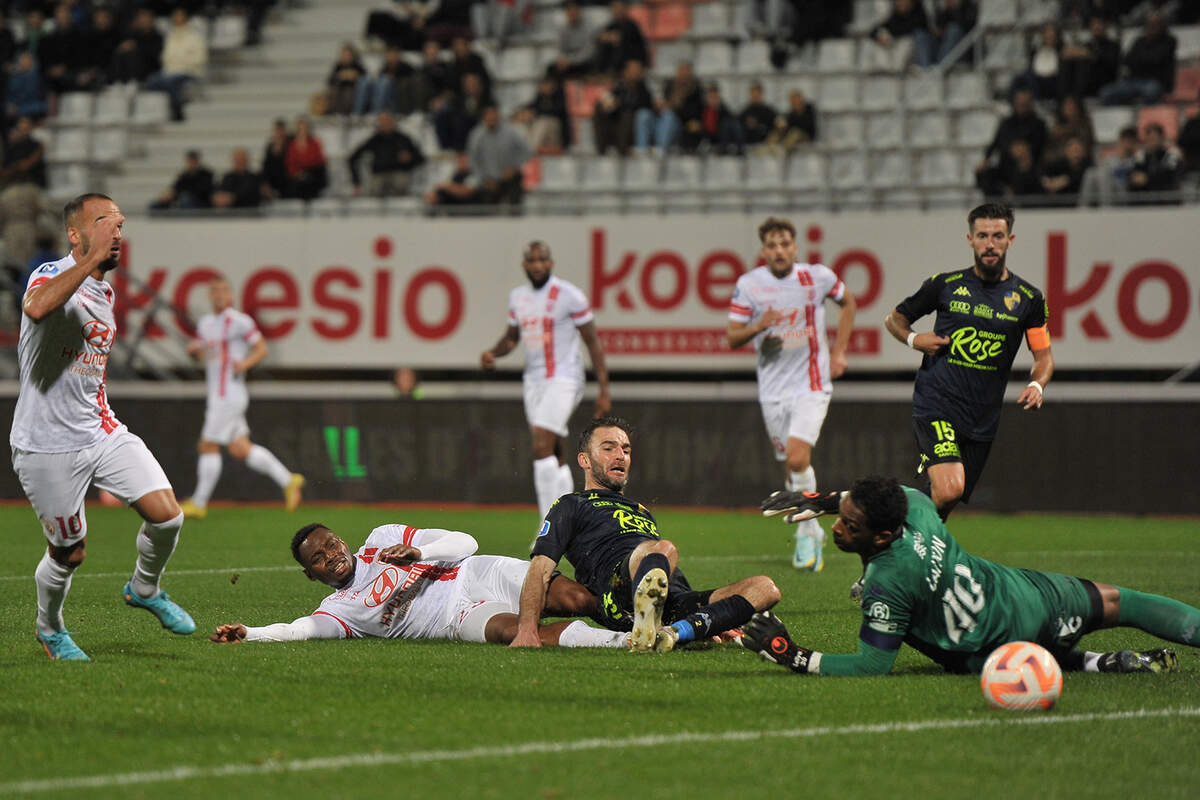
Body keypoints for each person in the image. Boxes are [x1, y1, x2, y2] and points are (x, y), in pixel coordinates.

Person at [743, 476, 1194, 676]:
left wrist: (793, 654)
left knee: (880, 604)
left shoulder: (887, 580)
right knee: (1124, 602)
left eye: (849, 525)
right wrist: (822, 499)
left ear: (881, 537)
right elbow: (903, 491)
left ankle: (1080, 662)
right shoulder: (915, 508)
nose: (836, 528)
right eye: (838, 517)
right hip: (1033, 597)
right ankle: (1095, 661)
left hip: (1000, 654)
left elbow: (871, 665)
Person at [12, 193, 195, 661]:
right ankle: (49, 629)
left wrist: (95, 262)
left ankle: (144, 587)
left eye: (120, 223)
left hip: (100, 429)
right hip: (46, 444)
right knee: (69, 553)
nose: (117, 231)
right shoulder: (49, 274)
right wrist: (90, 258)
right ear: (75, 234)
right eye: (103, 222)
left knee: (168, 514)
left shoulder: (105, 291)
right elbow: (35, 309)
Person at [511, 416, 782, 652]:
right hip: (618, 593)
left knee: (765, 588)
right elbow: (540, 569)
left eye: (626, 450)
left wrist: (715, 618)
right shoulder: (571, 505)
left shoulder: (642, 512)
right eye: (609, 448)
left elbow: (669, 577)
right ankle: (650, 622)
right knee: (663, 549)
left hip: (668, 596)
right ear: (584, 459)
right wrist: (526, 629)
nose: (620, 455)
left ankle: (679, 630)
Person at [883, 203, 1053, 519]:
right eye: (983, 235)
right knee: (949, 489)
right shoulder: (944, 285)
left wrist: (1037, 383)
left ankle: (900, 547)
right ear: (970, 239)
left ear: (1010, 240)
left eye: (997, 236)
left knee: (941, 505)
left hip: (981, 419)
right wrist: (913, 339)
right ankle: (868, 503)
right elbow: (894, 319)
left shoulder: (1029, 299)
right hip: (937, 403)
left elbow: (1043, 357)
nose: (990, 243)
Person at [210, 522, 628, 648]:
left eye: (331, 544)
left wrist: (420, 553)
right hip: (456, 616)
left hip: (474, 572)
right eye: (317, 558)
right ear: (310, 574)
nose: (331, 555)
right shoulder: (340, 610)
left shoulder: (381, 538)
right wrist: (252, 633)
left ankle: (640, 616)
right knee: (515, 632)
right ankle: (623, 643)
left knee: (577, 598)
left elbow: (469, 541)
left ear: (342, 538)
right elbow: (301, 629)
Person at [727, 217, 856, 571]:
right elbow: (733, 336)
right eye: (772, 245)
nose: (779, 250)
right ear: (763, 251)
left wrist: (840, 351)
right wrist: (758, 327)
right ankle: (810, 526)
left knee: (798, 459)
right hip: (772, 390)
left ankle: (807, 529)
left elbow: (849, 304)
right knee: (791, 466)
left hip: (811, 383)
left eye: (785, 243)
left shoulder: (817, 277)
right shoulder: (750, 285)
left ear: (795, 247)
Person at [481, 241, 610, 517]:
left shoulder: (569, 295)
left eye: (542, 260)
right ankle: (569, 519)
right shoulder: (517, 297)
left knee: (540, 445)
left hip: (564, 378)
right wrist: (494, 353)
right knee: (554, 451)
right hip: (534, 382)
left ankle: (546, 527)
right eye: (532, 261)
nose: (537, 265)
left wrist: (603, 389)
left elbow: (592, 342)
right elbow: (512, 337)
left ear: (551, 263)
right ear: (524, 265)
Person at [179, 276, 305, 520]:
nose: (219, 295)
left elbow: (262, 348)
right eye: (214, 291)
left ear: (231, 296)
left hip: (229, 395)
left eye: (223, 291)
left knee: (208, 445)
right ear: (210, 296)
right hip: (219, 393)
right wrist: (194, 352)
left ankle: (199, 502)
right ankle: (289, 480)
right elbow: (202, 354)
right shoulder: (206, 324)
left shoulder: (240, 322)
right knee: (240, 448)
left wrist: (244, 364)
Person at [1098, 10, 1176, 106]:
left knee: (1151, 91)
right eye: (1149, 23)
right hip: (1133, 81)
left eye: (1156, 23)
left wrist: (1140, 59)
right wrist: (1145, 59)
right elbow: (1127, 60)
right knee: (1105, 93)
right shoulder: (1139, 41)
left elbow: (1157, 59)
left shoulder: (1169, 41)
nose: (1152, 26)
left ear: (1162, 25)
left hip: (1155, 81)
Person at [144, 8, 207, 122]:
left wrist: (179, 62)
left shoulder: (194, 37)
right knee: (151, 80)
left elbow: (200, 58)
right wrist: (178, 61)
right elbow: (165, 57)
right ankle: (173, 106)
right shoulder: (170, 36)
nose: (177, 19)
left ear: (186, 18)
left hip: (189, 72)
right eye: (175, 16)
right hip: (170, 72)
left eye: (180, 16)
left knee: (170, 82)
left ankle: (177, 109)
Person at [465, 104, 532, 206]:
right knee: (482, 200)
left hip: (510, 177)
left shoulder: (511, 131)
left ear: (498, 116)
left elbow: (527, 150)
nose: (491, 118)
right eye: (488, 115)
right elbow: (473, 160)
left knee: (515, 196)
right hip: (488, 180)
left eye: (494, 115)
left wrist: (515, 167)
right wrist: (484, 179)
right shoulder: (476, 135)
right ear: (483, 117)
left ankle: (517, 219)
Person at [347, 111, 426, 198]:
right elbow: (353, 157)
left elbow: (421, 158)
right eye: (382, 121)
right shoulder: (374, 140)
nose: (385, 124)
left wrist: (410, 158)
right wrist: (356, 183)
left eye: (387, 121)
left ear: (393, 122)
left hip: (398, 173)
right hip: (379, 174)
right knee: (374, 189)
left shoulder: (403, 139)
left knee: (400, 183)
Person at [1127, 121, 1183, 203]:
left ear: (1161, 138)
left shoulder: (1171, 156)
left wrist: (1147, 179)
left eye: (1153, 139)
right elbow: (1134, 177)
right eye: (1148, 139)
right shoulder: (1141, 156)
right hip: (1145, 203)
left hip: (1168, 202)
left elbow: (1169, 177)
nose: (1150, 142)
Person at [149, 149, 214, 210]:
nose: (191, 164)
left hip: (200, 202)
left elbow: (202, 191)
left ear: (197, 161)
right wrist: (168, 194)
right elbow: (175, 187)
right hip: (183, 199)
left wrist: (180, 192)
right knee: (154, 204)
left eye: (193, 161)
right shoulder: (184, 175)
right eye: (189, 161)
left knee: (185, 198)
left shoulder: (206, 174)